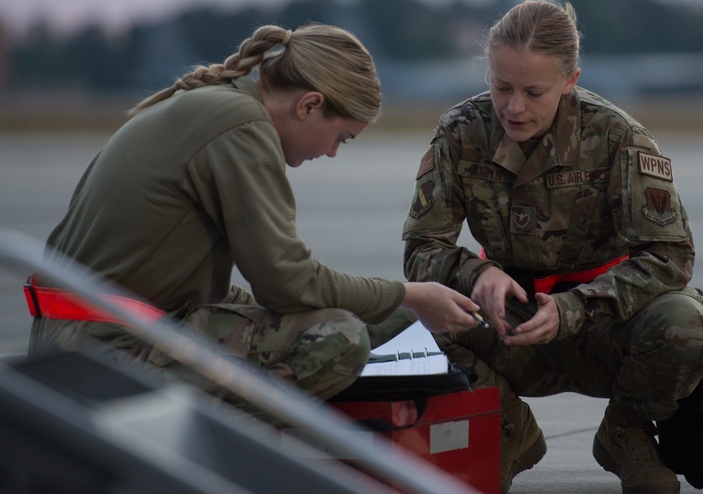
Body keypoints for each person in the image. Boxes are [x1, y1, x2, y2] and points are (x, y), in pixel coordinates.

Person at [29, 23, 480, 409]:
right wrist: (411, 293)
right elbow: (286, 281)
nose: (332, 152)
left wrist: (402, 307)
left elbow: (248, 290)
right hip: (103, 351)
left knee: (389, 320)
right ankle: (220, 456)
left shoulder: (221, 106)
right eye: (341, 137)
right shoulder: (242, 128)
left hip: (93, 336)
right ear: (309, 105)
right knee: (337, 339)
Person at [402, 0, 703, 494]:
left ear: (570, 80)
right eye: (501, 87)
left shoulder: (618, 137)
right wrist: (476, 275)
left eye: (534, 92)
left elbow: (671, 257)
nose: (514, 107)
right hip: (507, 320)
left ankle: (625, 433)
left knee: (687, 325)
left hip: (606, 324)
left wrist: (578, 307)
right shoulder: (460, 132)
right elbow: (421, 249)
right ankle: (509, 435)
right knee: (412, 328)